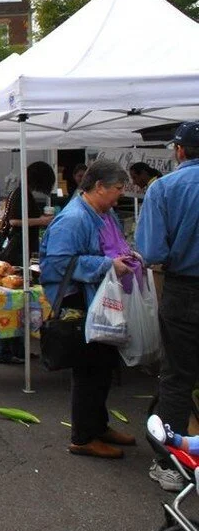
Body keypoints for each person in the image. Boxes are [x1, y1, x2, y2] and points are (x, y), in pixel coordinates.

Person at [40, 159, 139, 459]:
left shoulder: (99, 214)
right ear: (98, 187)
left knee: (103, 365)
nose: (119, 196)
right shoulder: (74, 218)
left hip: (95, 298)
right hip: (77, 301)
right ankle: (82, 437)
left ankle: (98, 426)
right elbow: (56, 263)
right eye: (117, 189)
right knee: (89, 369)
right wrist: (108, 264)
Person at [137, 121, 199, 492]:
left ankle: (173, 466)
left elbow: (153, 251)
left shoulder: (165, 188)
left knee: (177, 377)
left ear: (179, 150)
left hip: (184, 290)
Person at [0, 161, 56, 365]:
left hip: (19, 251)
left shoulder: (20, 192)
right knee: (11, 304)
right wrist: (42, 221)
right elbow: (14, 222)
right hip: (17, 252)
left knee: (18, 304)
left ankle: (17, 349)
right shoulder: (21, 193)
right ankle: (3, 350)